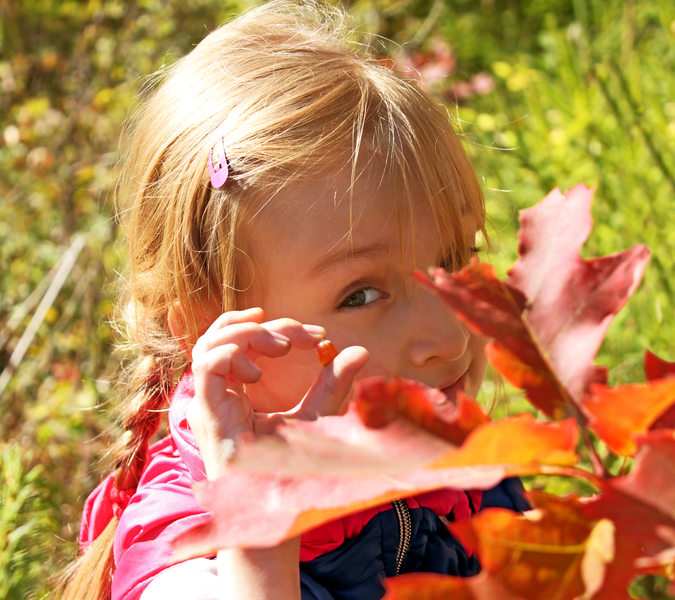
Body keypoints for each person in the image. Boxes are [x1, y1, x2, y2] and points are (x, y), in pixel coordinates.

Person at [58, 2, 528, 599]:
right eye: (361, 293)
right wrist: (261, 540)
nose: (450, 335)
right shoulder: (190, 554)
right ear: (210, 330)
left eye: (454, 259)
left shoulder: (454, 463)